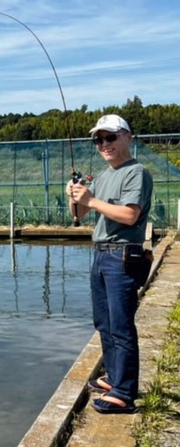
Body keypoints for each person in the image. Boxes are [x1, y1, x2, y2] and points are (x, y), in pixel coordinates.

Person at [66, 114, 153, 414]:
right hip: (101, 254)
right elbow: (80, 216)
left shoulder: (136, 172)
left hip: (123, 256)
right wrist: (76, 197)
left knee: (121, 324)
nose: (104, 144)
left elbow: (130, 215)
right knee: (103, 322)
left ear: (128, 137)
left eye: (111, 137)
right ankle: (114, 378)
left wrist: (90, 200)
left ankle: (124, 393)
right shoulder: (104, 176)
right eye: (99, 139)